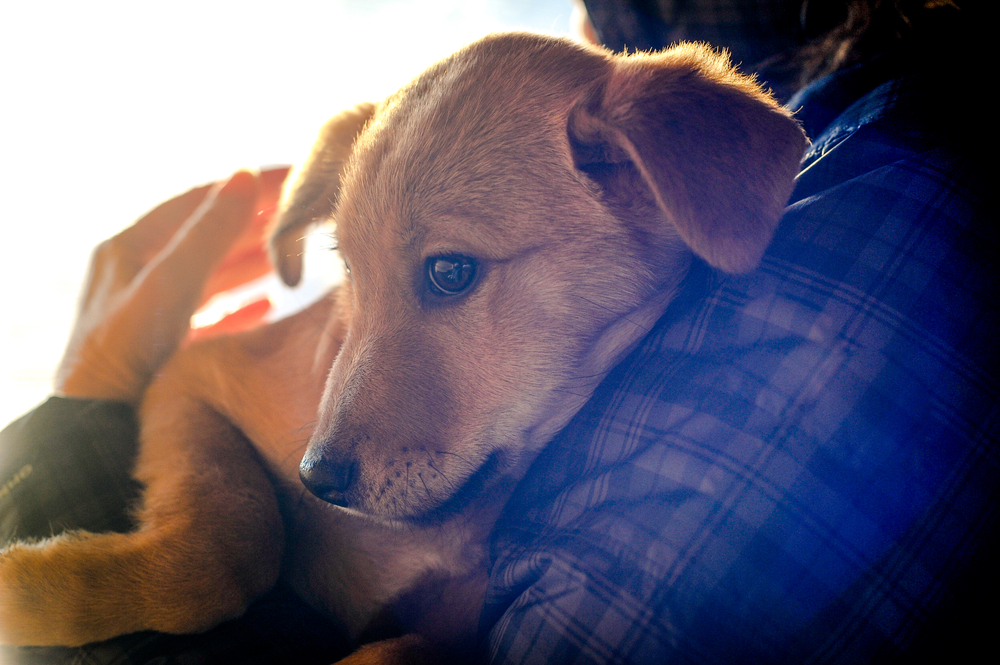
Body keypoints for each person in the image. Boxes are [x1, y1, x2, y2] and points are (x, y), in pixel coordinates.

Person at [2, 1, 993, 663]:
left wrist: (87, 405)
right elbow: (220, 387)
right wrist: (200, 545)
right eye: (363, 269)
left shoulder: (879, 220)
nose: (333, 441)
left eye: (450, 272)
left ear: (642, 172)